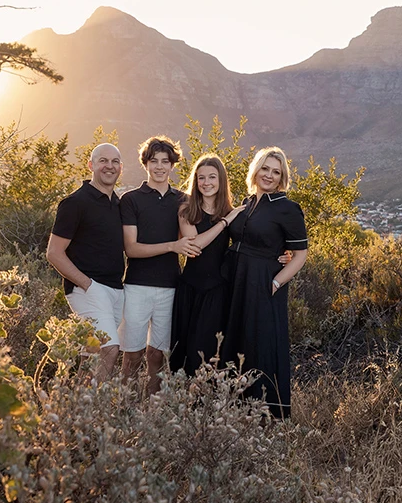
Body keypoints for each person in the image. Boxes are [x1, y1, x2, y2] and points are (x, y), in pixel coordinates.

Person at [170, 154, 295, 376]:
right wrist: (225, 221)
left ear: (221, 181)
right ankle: (181, 407)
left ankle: (205, 407)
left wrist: (282, 256)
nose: (206, 183)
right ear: (195, 181)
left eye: (212, 177)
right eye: (201, 178)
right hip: (189, 290)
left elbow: (251, 242)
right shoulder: (187, 210)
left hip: (218, 292)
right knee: (181, 354)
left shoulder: (233, 210)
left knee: (207, 354)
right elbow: (195, 247)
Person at [220, 146, 309, 418]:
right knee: (234, 340)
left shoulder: (287, 208)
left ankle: (265, 413)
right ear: (256, 170)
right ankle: (232, 408)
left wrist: (275, 283)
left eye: (275, 171)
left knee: (261, 343)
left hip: (262, 283)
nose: (268, 175)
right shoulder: (245, 204)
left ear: (282, 177)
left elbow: (300, 255)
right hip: (234, 281)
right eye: (265, 169)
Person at [118, 135, 198, 395]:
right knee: (132, 354)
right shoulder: (131, 199)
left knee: (158, 356)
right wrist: (172, 246)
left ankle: (153, 413)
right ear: (146, 164)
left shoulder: (183, 200)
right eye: (154, 161)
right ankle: (125, 410)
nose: (160, 167)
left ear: (173, 165)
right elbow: (131, 248)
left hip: (170, 287)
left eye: (165, 161)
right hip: (136, 286)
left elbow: (195, 239)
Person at [46, 142, 126, 381]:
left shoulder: (118, 204)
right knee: (108, 348)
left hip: (115, 289)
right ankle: (95, 413)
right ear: (91, 165)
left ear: (121, 168)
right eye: (103, 161)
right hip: (87, 289)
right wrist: (87, 284)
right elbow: (54, 253)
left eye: (114, 162)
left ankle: (76, 410)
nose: (108, 166)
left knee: (90, 353)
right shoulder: (75, 203)